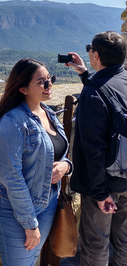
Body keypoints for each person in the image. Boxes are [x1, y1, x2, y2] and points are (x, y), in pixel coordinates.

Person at [0, 58, 72, 266]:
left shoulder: (48, 113)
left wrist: (67, 166)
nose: (50, 86)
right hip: (14, 207)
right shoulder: (12, 122)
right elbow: (11, 175)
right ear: (23, 89)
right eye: (42, 82)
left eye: (51, 79)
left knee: (30, 261)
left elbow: (59, 154)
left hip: (46, 201)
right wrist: (29, 223)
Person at [65, 31, 127, 266]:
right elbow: (109, 93)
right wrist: (84, 73)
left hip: (104, 183)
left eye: (90, 48)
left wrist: (100, 194)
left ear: (96, 55)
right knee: (124, 239)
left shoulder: (93, 93)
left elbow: (93, 150)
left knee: (96, 242)